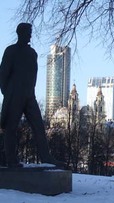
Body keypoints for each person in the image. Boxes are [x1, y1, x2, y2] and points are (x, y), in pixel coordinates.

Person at [0, 23, 64, 168]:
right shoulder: (11, 51)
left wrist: (30, 92)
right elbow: (3, 74)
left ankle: (46, 157)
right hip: (15, 94)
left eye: (30, 32)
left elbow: (32, 76)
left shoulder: (32, 53)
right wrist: (8, 93)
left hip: (30, 96)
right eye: (28, 32)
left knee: (39, 127)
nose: (30, 35)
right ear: (20, 33)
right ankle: (11, 159)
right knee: (11, 127)